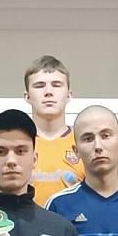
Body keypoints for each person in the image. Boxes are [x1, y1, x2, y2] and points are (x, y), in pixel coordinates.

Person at [49, 105, 118, 236]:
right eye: (88, 139)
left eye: (106, 136)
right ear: (76, 151)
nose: (98, 147)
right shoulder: (58, 204)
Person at [25, 55, 81, 206]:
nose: (48, 92)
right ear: (27, 96)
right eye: (39, 86)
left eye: (56, 85)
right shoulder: (17, 144)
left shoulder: (84, 143)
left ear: (69, 95)